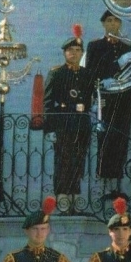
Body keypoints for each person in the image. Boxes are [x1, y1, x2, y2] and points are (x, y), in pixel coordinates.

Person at [44, 24, 93, 212]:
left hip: (81, 121)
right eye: (70, 50)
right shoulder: (57, 73)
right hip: (63, 121)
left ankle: (74, 196)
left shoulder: (86, 74)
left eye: (78, 50)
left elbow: (89, 99)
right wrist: (49, 129)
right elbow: (48, 102)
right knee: (64, 160)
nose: (74, 53)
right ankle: (63, 198)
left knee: (78, 161)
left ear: (82, 53)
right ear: (65, 53)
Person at [85, 11, 131, 189]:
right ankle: (104, 182)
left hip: (123, 100)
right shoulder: (95, 46)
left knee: (120, 141)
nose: (113, 24)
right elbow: (91, 72)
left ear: (120, 24)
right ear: (103, 24)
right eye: (109, 20)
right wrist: (117, 64)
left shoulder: (126, 47)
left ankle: (117, 184)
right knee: (105, 140)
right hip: (104, 99)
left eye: (116, 21)